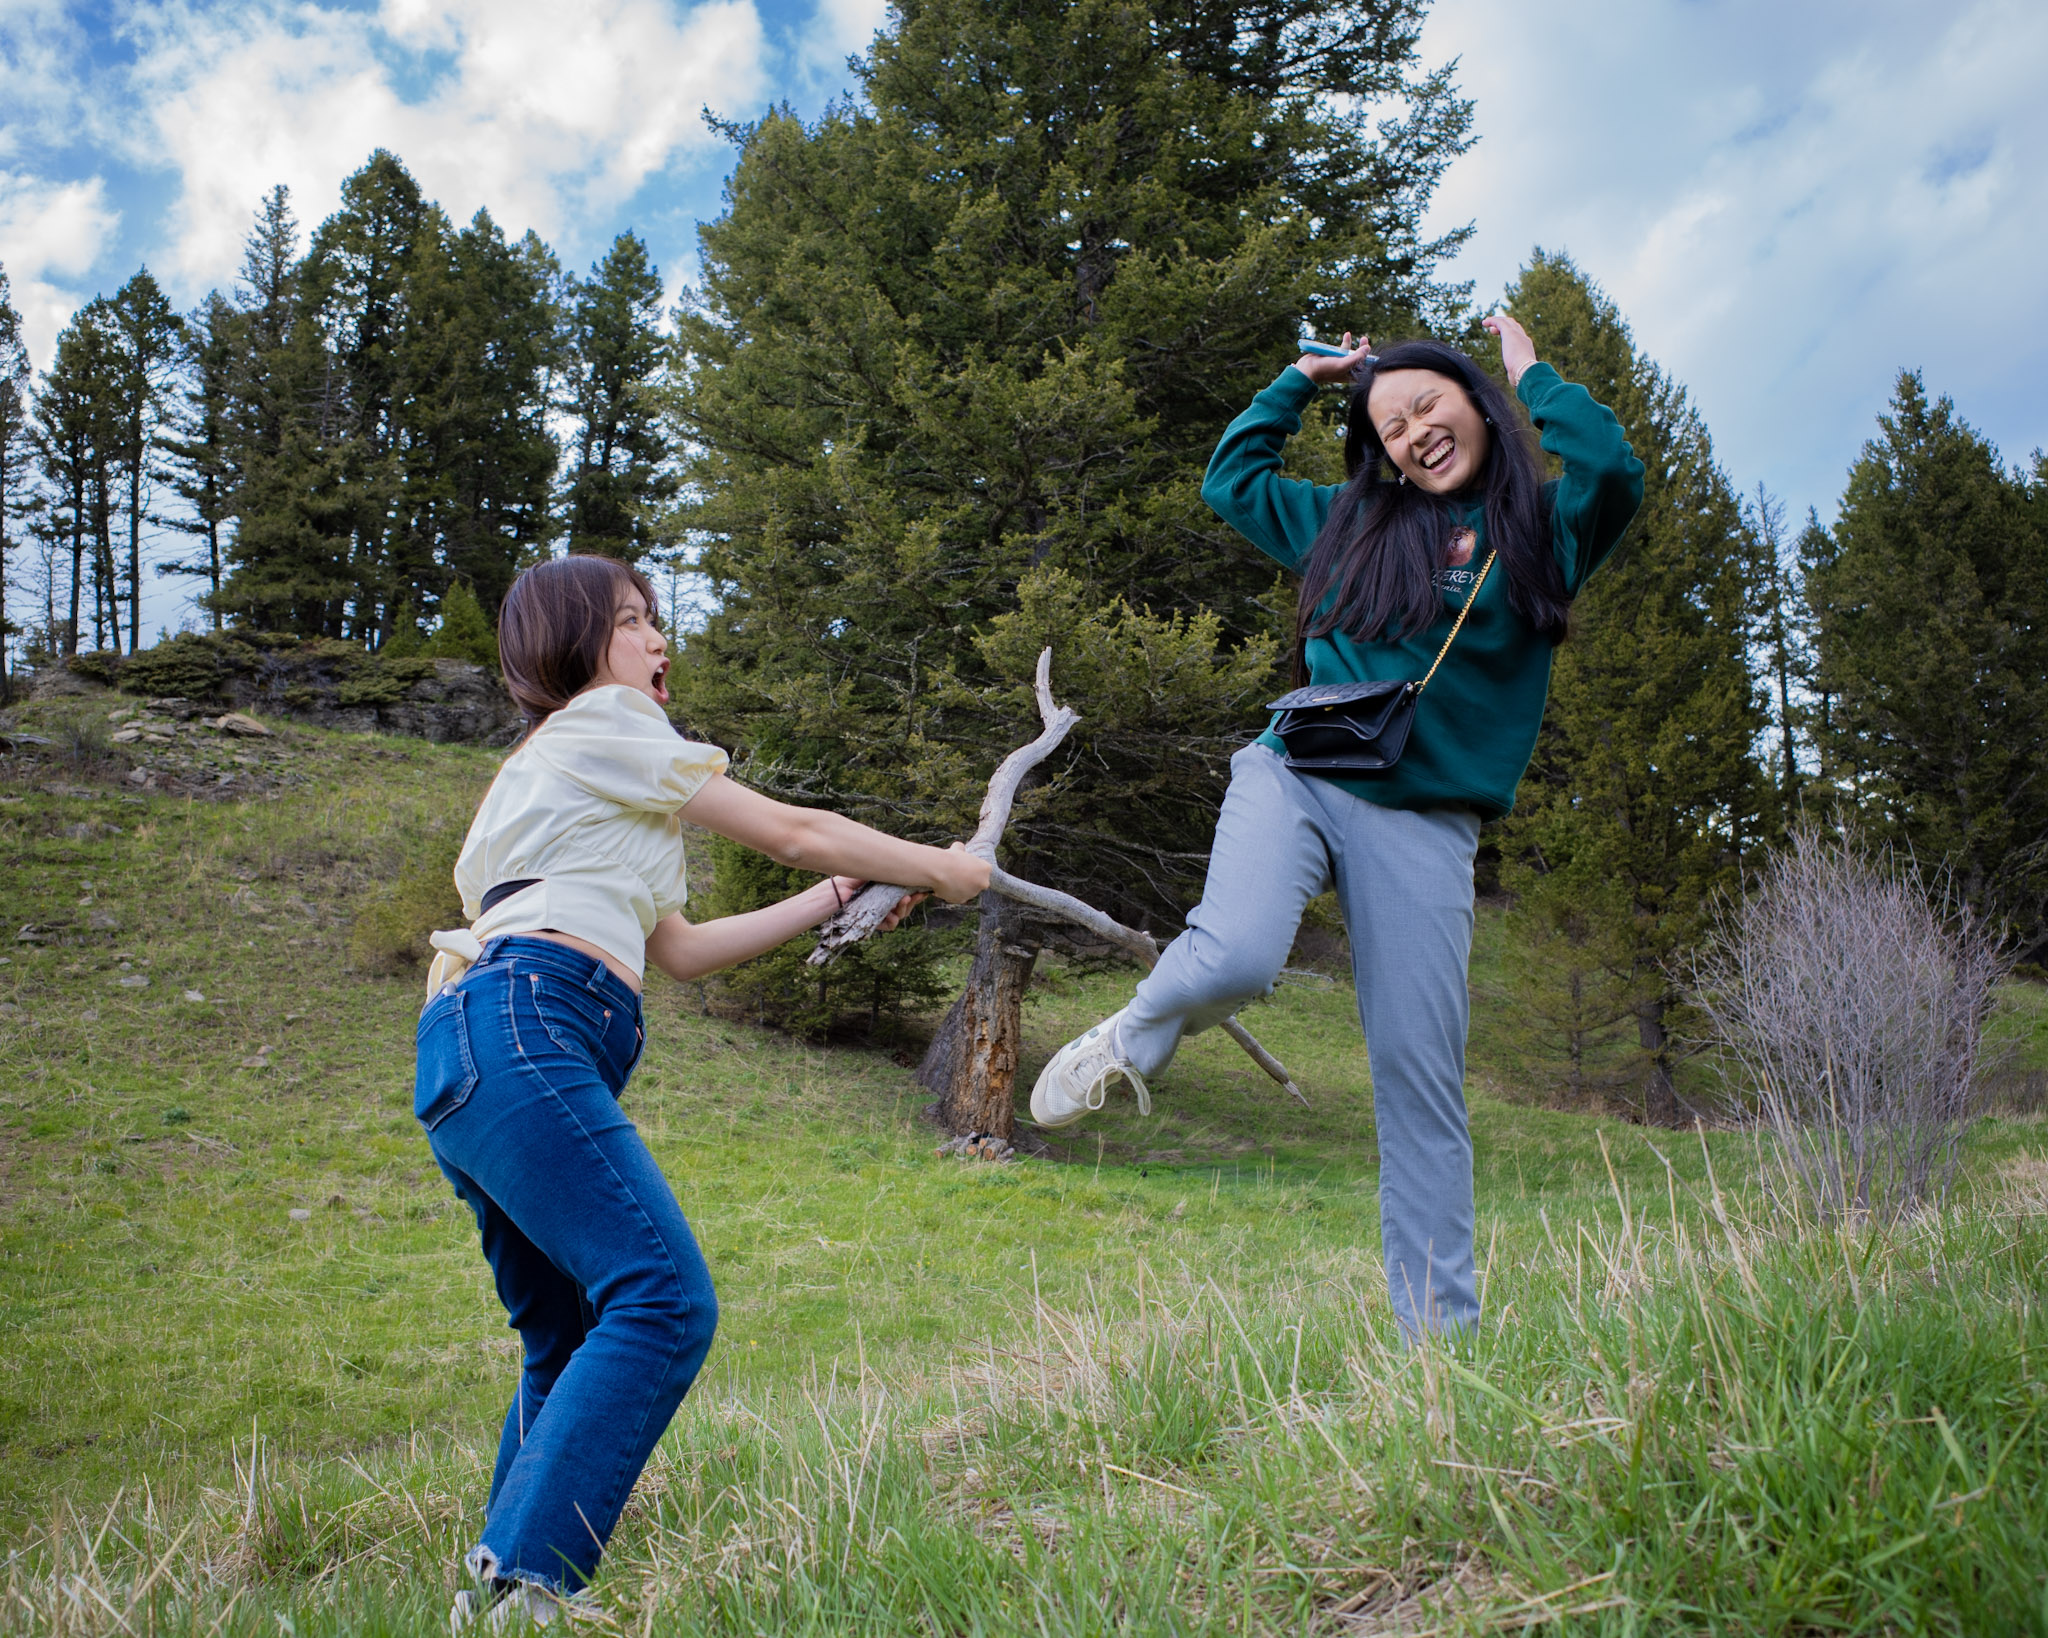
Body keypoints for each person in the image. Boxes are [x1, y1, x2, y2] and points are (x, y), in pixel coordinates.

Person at [1028, 315, 1643, 1341]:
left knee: (1419, 1087)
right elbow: (1231, 479)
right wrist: (1297, 382)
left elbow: (1610, 462)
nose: (1412, 431)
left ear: (1471, 401)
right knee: (1232, 957)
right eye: (1389, 423)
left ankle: (1438, 1350)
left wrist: (1531, 375)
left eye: (1427, 405)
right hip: (1300, 774)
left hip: (1427, 822)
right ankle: (1131, 1036)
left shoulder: (1544, 527)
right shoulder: (1348, 523)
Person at [415, 554, 989, 1627]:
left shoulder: (551, 775)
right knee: (661, 1296)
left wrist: (830, 897)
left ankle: (494, 1592)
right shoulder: (603, 720)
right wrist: (938, 868)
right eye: (632, 623)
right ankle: (534, 1582)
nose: (657, 642)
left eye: (652, 621)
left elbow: (678, 949)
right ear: (578, 649)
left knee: (568, 1332)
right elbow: (791, 827)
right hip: (531, 1021)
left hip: (467, 1052)